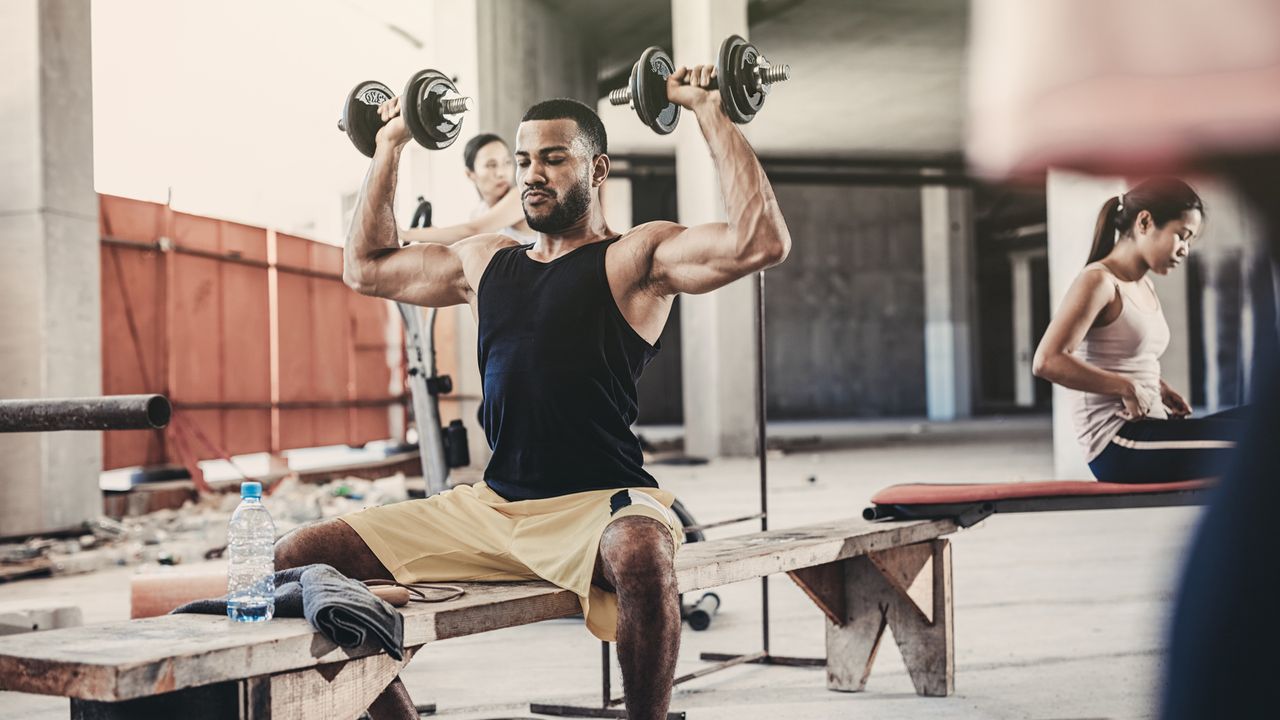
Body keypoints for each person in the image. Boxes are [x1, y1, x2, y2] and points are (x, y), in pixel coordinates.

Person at [279, 62, 791, 720]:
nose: (532, 175)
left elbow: (760, 242)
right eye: (524, 160)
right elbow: (367, 267)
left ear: (598, 171)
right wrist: (390, 146)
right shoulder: (486, 259)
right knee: (300, 555)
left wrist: (708, 110)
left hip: (600, 505)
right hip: (491, 509)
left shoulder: (633, 258)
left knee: (642, 555)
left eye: (553, 159)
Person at [1032, 177, 1247, 483]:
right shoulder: (1098, 281)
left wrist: (1159, 388)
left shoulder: (1142, 283)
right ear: (1144, 221)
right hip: (1120, 444)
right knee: (1258, 444)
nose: (1185, 250)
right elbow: (1048, 361)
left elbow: (1119, 354)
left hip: (1152, 430)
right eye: (1181, 236)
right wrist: (1127, 387)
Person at [398, 133, 533, 245]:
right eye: (491, 165)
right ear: (470, 174)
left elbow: (473, 230)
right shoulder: (479, 212)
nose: (501, 173)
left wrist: (405, 234)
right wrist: (431, 234)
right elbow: (465, 243)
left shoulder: (522, 197)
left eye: (507, 162)